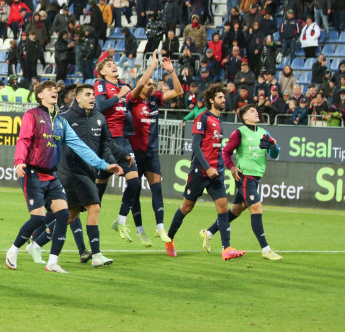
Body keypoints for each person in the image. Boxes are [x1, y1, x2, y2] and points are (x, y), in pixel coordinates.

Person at [5, 81, 122, 274]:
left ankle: (52, 262)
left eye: (55, 90)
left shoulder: (61, 121)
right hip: (32, 172)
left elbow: (81, 147)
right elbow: (23, 140)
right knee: (39, 218)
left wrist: (104, 165)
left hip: (52, 175)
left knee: (63, 215)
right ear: (40, 95)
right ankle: (13, 250)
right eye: (49, 89)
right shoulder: (32, 115)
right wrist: (19, 162)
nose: (54, 92)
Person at [165, 84, 246, 261]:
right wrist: (207, 168)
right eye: (220, 97)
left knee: (223, 207)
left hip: (216, 172)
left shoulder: (219, 120)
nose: (224, 100)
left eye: (224, 97)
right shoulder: (203, 117)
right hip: (200, 171)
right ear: (211, 100)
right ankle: (169, 239)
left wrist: (216, 168)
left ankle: (227, 248)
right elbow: (195, 145)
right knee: (187, 207)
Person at [199, 105, 283, 261]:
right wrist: (231, 167)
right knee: (256, 208)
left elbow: (274, 154)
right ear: (244, 117)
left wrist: (274, 145)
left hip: (256, 178)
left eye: (256, 110)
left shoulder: (264, 133)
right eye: (252, 111)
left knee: (236, 210)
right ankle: (266, 249)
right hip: (245, 178)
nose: (256, 112)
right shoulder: (239, 133)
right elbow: (226, 152)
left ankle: (208, 232)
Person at [126, 51, 183, 245]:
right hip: (135, 152)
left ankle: (160, 228)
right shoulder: (132, 99)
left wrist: (172, 71)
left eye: (153, 84)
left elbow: (178, 92)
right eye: (149, 84)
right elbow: (140, 84)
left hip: (151, 153)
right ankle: (140, 229)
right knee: (134, 191)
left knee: (157, 189)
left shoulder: (155, 99)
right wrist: (152, 66)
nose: (152, 87)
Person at [91, 53, 140, 243]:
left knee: (135, 182)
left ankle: (120, 220)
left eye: (114, 64)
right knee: (98, 191)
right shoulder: (101, 85)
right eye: (108, 65)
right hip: (107, 142)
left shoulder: (121, 87)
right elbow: (100, 106)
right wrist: (120, 95)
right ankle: (88, 224)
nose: (113, 66)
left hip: (123, 141)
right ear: (102, 72)